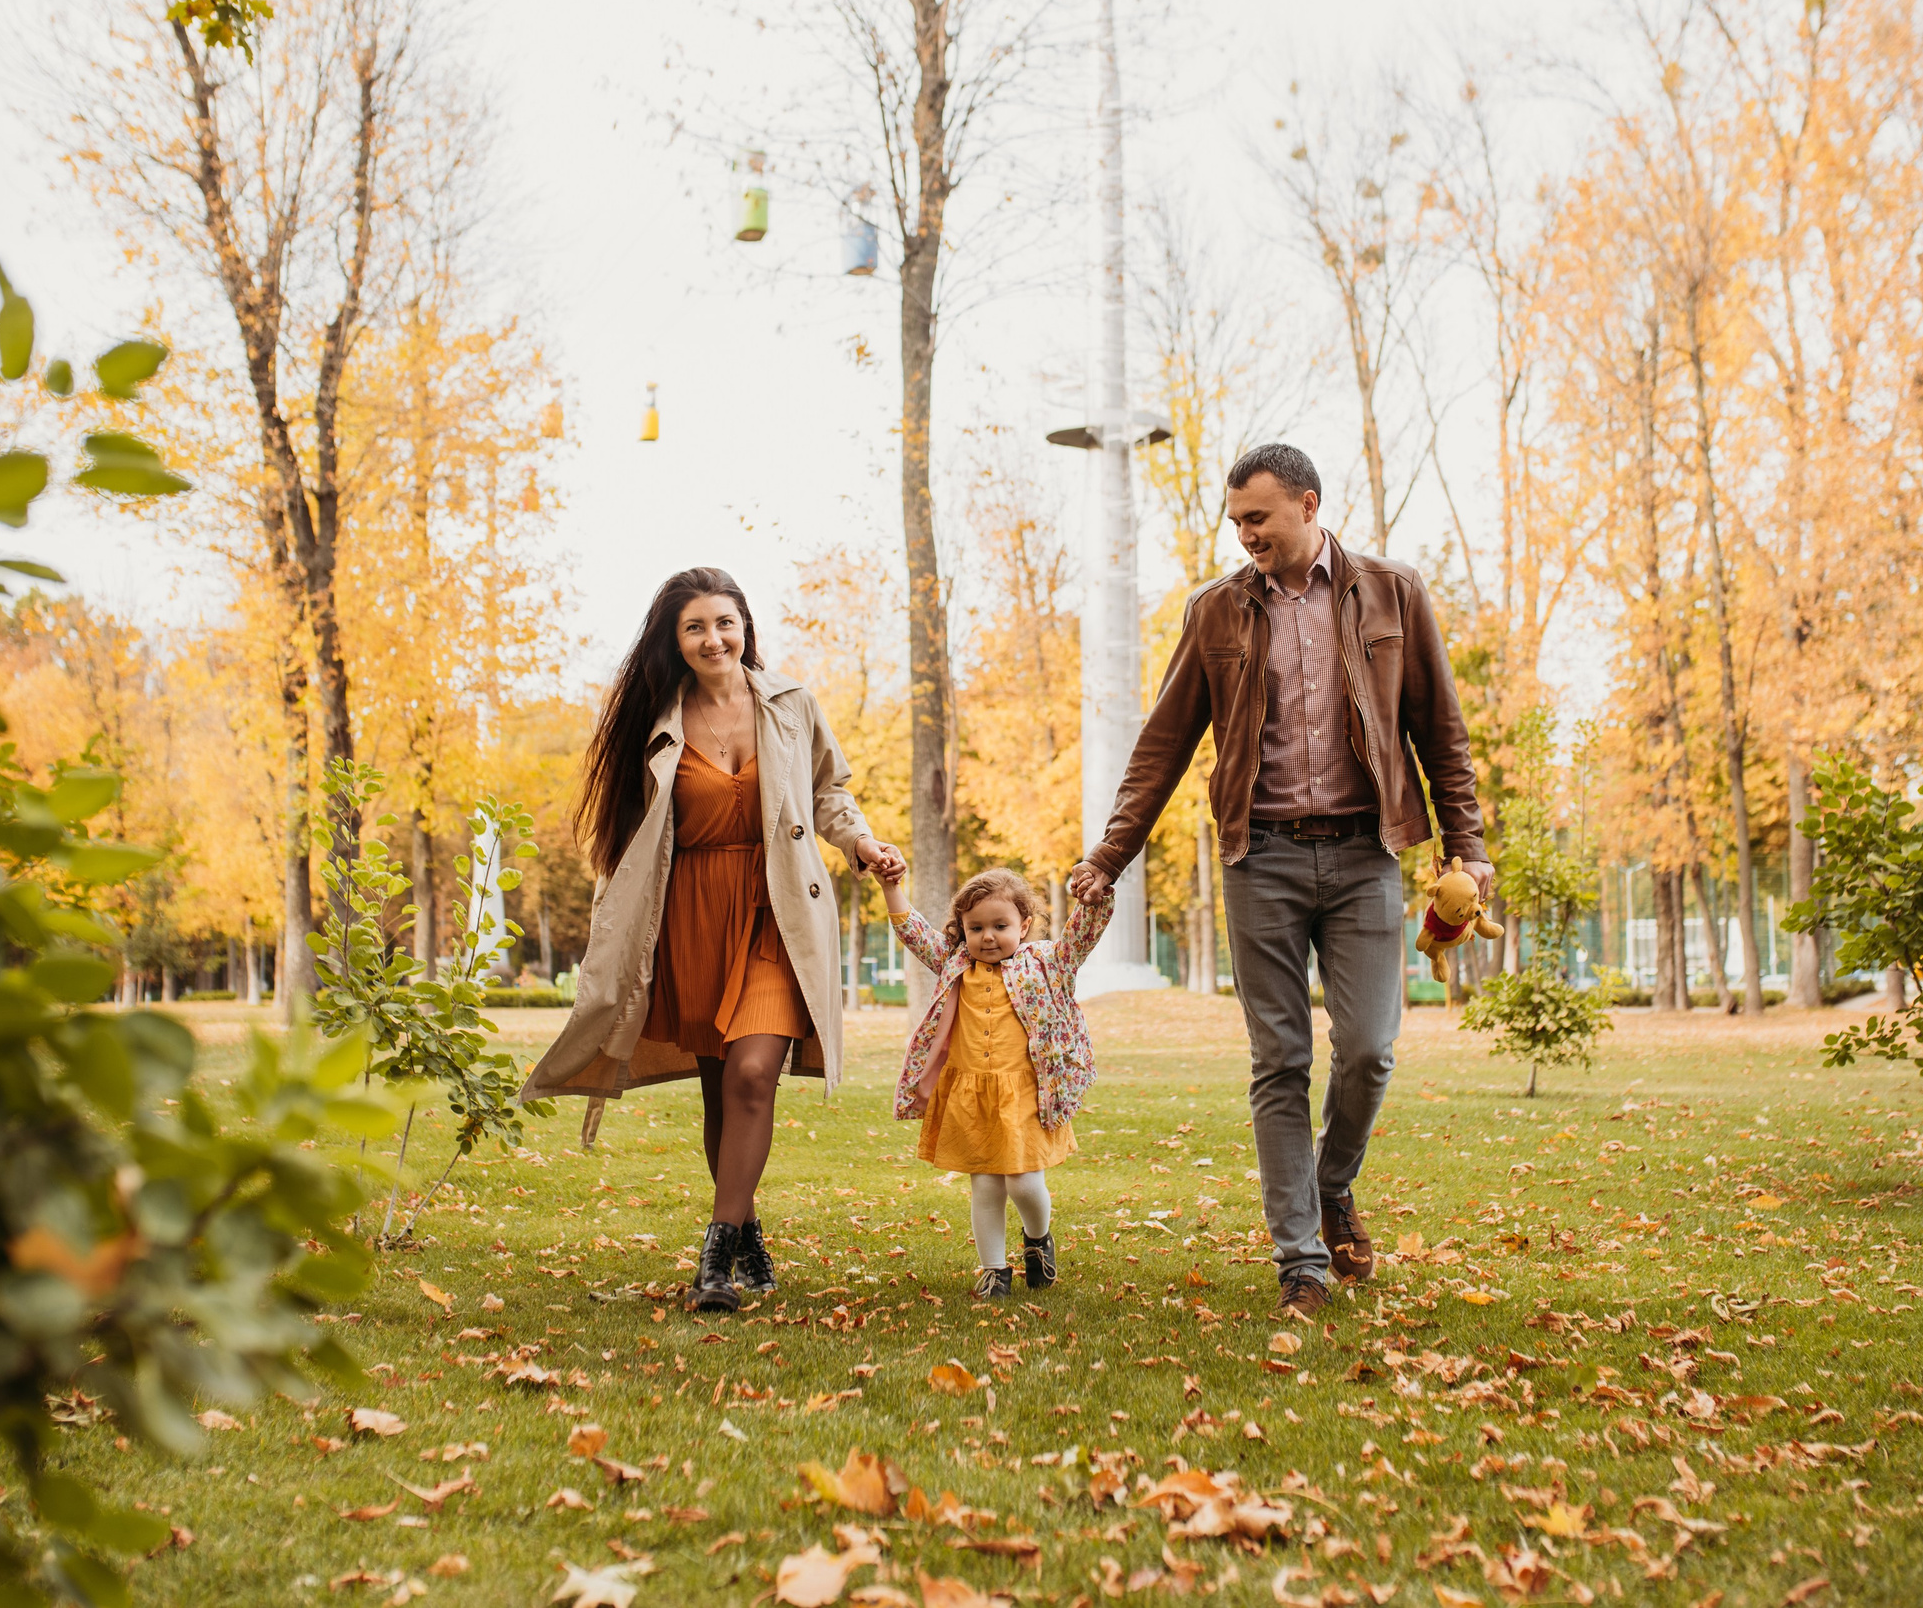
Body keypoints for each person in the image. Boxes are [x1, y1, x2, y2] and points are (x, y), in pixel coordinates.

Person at [1070, 443, 1491, 1320]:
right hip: (1258, 855)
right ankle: (1300, 1256)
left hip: (1366, 852)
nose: (1246, 535)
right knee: (1280, 1061)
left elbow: (1440, 729)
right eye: (1237, 522)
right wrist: (1110, 855)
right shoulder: (1217, 611)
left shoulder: (1392, 592)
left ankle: (1332, 1183)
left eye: (1258, 518)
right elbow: (1163, 744)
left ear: (1308, 502)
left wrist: (1469, 844)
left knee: (1370, 1048)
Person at [521, 567, 904, 1314]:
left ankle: (716, 1254)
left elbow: (829, 791)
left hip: (774, 907)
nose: (713, 637)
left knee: (754, 1072)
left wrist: (861, 842)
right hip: (689, 914)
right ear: (676, 639)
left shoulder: (790, 704)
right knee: (719, 1089)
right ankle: (749, 1232)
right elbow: (628, 836)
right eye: (695, 626)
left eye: (725, 622)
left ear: (746, 627)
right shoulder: (655, 718)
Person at [880, 863, 1110, 1298]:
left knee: (1023, 1182)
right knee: (985, 1184)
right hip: (972, 1094)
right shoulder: (955, 964)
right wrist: (891, 887)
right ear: (961, 931)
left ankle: (1038, 1239)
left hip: (1026, 1093)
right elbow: (913, 932)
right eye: (976, 927)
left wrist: (1096, 895)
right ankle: (993, 1271)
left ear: (1024, 926)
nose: (988, 937)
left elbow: (1083, 935)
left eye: (1000, 926)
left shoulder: (1047, 962)